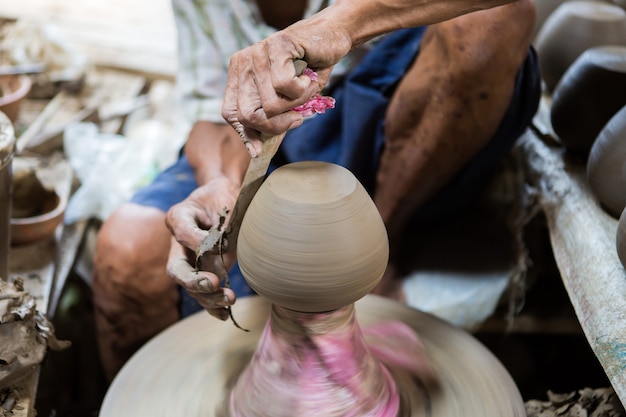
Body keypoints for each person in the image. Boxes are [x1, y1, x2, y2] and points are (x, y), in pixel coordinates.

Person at [92, 0, 541, 380]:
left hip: (407, 132)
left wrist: (339, 24)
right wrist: (222, 182)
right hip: (275, 145)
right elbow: (211, 113)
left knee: (493, 19)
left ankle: (379, 244)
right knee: (125, 249)